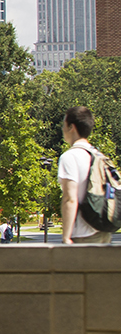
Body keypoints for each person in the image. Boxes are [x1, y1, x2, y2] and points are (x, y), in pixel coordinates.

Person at [59, 105, 116, 245]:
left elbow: (70, 199)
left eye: (64, 125)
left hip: (82, 234)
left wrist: (66, 237)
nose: (62, 129)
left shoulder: (70, 157)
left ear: (71, 127)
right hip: (103, 230)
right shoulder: (100, 157)